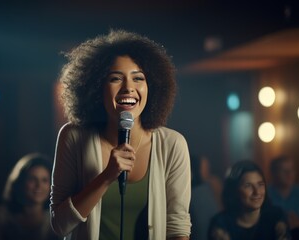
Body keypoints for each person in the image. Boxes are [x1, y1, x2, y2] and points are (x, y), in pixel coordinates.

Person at [50, 29, 192, 240]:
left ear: (151, 87)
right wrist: (107, 176)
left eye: (138, 79)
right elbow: (60, 225)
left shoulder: (172, 144)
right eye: (116, 78)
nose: (128, 88)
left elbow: (177, 228)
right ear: (97, 87)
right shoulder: (73, 136)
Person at [208, 160, 291, 240]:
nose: (257, 192)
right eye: (248, 186)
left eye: (260, 184)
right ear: (234, 190)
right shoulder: (221, 224)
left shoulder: (276, 216)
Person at [0, 153, 59, 240]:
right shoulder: (1, 216)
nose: (39, 185)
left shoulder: (55, 218)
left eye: (44, 180)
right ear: (19, 181)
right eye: (32, 179)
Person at [189, 155, 221, 240]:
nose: (208, 170)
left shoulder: (212, 184)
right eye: (204, 167)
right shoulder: (195, 192)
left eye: (208, 167)